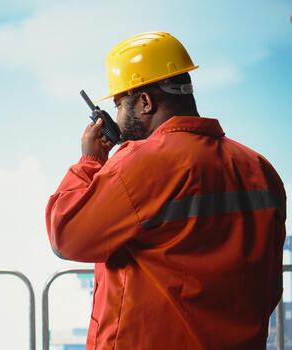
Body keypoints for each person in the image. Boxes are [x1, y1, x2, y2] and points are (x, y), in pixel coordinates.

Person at [46, 32, 286, 349]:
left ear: (145, 101)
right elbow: (268, 281)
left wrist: (91, 161)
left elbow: (66, 236)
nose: (116, 117)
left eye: (118, 104)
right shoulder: (259, 167)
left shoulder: (139, 165)